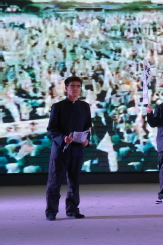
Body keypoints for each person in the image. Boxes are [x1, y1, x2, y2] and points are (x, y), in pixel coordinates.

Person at [45, 76, 92, 221]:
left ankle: (72, 209)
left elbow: (87, 126)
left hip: (77, 150)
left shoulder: (85, 106)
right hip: (60, 150)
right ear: (66, 88)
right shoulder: (58, 107)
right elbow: (51, 129)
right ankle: (51, 211)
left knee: (74, 182)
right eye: (73, 86)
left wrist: (86, 139)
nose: (76, 88)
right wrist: (62, 138)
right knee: (55, 182)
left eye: (78, 86)